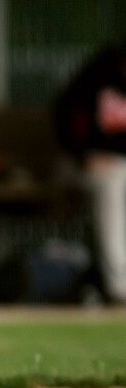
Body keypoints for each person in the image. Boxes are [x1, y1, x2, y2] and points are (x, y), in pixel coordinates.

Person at [54, 44, 126, 305]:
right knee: (113, 180)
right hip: (78, 165)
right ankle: (119, 285)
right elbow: (65, 123)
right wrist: (84, 156)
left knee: (118, 173)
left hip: (119, 167)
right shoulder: (94, 78)